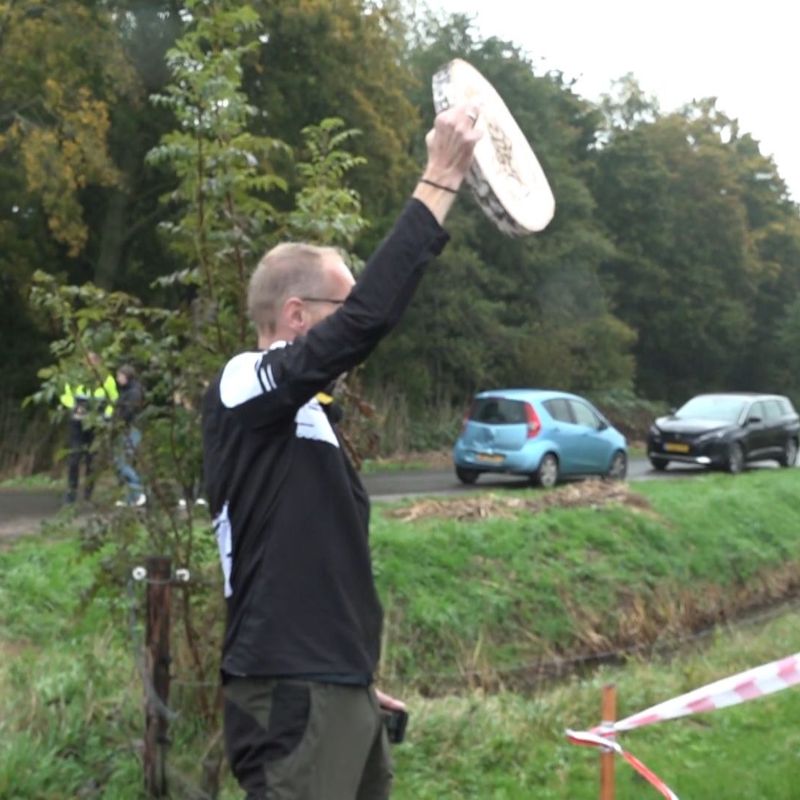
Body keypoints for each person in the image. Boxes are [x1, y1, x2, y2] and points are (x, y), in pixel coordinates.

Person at [202, 105, 481, 799]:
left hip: (338, 687)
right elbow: (366, 324)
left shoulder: (313, 419)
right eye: (341, 308)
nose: (356, 327)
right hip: (288, 687)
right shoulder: (244, 384)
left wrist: (355, 675)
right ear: (295, 316)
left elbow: (318, 558)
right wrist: (439, 181)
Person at [59, 351, 118, 505]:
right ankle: (71, 493)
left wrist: (107, 415)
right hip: (78, 423)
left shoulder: (106, 379)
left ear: (98, 362)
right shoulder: (75, 378)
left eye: (92, 361)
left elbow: (114, 400)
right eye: (86, 361)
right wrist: (73, 406)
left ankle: (88, 494)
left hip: (96, 425)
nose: (89, 364)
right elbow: (65, 395)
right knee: (74, 458)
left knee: (92, 461)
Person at [113, 364, 146, 507]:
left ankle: (138, 492)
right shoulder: (126, 391)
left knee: (123, 461)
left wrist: (119, 421)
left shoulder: (134, 392)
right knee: (122, 461)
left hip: (131, 429)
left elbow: (130, 411)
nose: (117, 379)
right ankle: (131, 496)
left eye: (119, 376)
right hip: (125, 429)